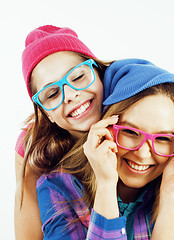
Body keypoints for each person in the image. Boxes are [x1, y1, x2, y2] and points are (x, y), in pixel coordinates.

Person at [36, 59, 174, 239]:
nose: (142, 153)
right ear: (104, 127)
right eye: (131, 132)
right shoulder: (58, 188)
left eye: (163, 138)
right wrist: (106, 185)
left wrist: (170, 197)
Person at [14, 24, 142, 239]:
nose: (71, 95)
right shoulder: (33, 147)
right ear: (45, 114)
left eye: (77, 77)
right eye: (52, 93)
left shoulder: (137, 115)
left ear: (98, 72)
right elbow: (28, 234)